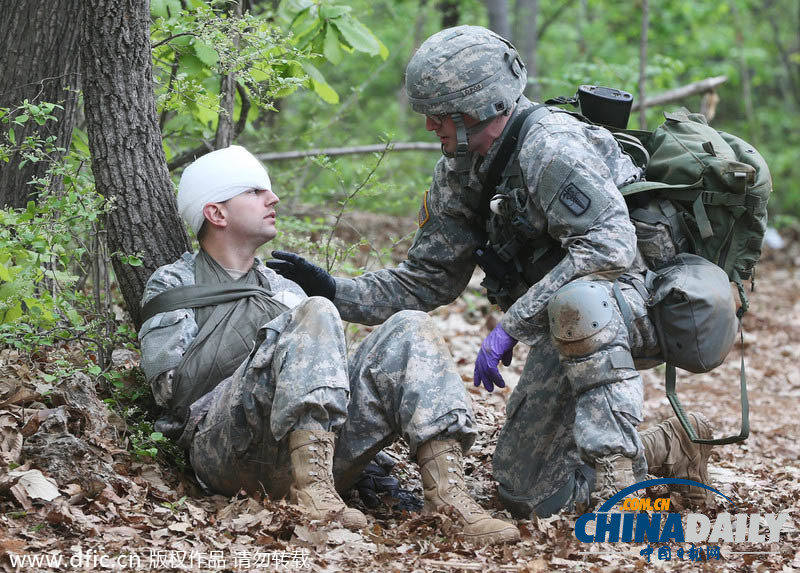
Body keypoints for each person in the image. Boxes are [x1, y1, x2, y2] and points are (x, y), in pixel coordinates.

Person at [269, 26, 715, 518]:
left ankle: (620, 483)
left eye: (438, 117)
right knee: (528, 495)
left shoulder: (551, 146)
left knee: (584, 303)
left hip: (635, 300)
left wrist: (509, 327)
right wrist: (335, 290)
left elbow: (609, 247)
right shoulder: (460, 171)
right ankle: (669, 443)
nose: (428, 128)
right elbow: (428, 278)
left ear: (476, 110)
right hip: (563, 321)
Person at [137, 145, 520, 545]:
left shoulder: (284, 289)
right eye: (254, 192)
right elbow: (171, 391)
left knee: (411, 324)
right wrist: (268, 353)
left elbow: (327, 379)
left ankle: (447, 498)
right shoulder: (174, 283)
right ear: (216, 213)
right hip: (225, 450)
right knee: (317, 309)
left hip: (313, 453)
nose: (273, 199)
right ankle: (310, 493)